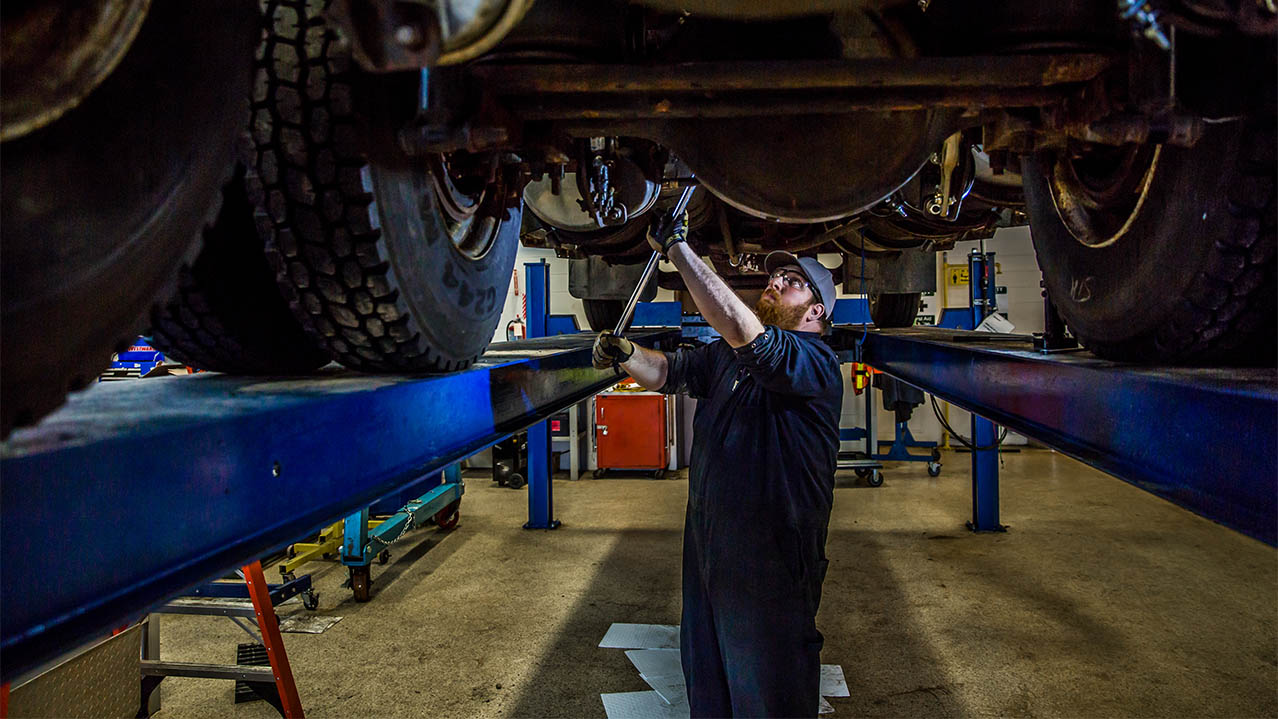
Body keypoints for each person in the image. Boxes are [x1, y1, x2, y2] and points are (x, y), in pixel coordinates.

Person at [592, 212, 843, 717]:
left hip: (772, 557)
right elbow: (668, 371)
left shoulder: (814, 362)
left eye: (791, 283)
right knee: (708, 684)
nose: (775, 282)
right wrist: (625, 354)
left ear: (816, 312)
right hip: (710, 550)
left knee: (768, 689)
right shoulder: (729, 357)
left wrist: (680, 252)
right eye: (776, 276)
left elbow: (740, 328)